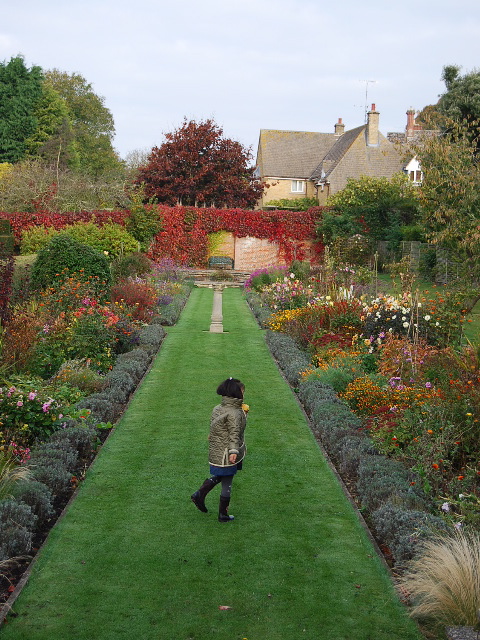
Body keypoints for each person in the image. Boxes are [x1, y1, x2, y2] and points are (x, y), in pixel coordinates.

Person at [191, 377, 248, 522]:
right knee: (227, 479)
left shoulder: (218, 408)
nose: (244, 394)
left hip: (217, 449)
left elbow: (218, 428)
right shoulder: (235, 413)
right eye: (242, 391)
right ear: (236, 393)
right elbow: (234, 434)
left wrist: (243, 415)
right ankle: (219, 511)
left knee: (224, 476)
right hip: (227, 452)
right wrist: (234, 452)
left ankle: (203, 496)